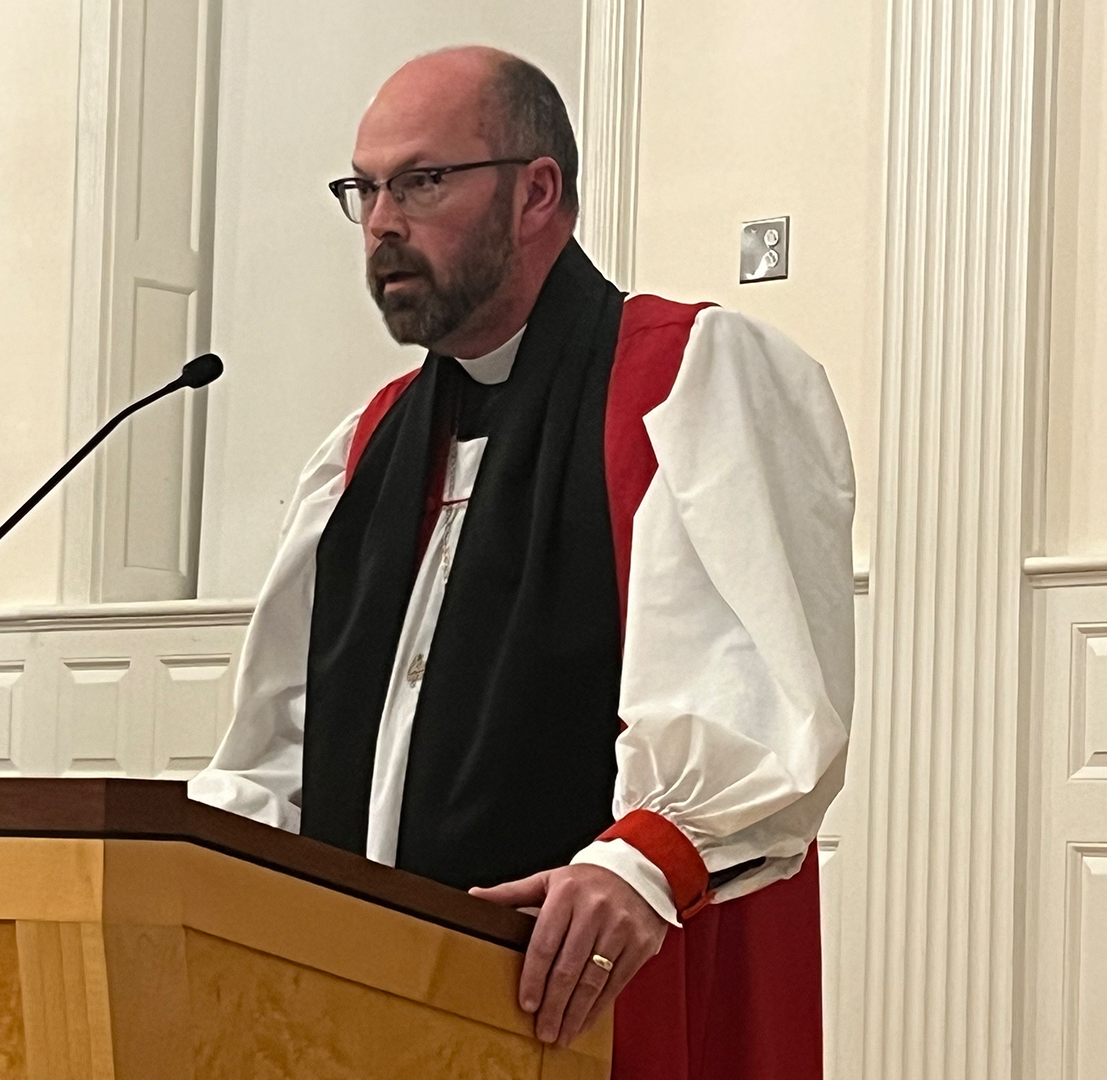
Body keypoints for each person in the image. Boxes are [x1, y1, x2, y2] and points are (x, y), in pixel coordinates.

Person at [189, 45, 854, 1080]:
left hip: (588, 987)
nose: (380, 223)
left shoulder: (688, 375)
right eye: (364, 189)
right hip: (368, 994)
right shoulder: (370, 446)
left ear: (537, 190)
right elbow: (279, 752)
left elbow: (757, 697)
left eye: (421, 181)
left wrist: (643, 861)